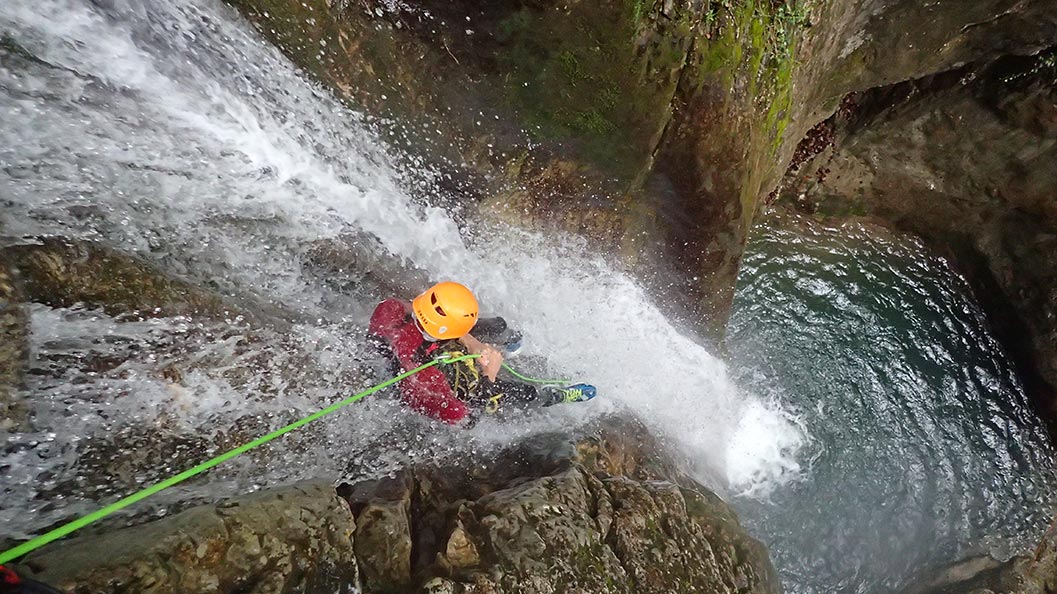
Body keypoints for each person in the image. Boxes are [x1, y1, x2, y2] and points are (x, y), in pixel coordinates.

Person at [367, 281, 595, 425]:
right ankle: (554, 396)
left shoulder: (391, 308)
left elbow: (432, 320)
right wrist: (490, 373)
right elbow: (466, 416)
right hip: (420, 376)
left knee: (495, 325)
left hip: (422, 345)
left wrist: (471, 341)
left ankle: (509, 337)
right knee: (500, 392)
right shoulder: (427, 380)